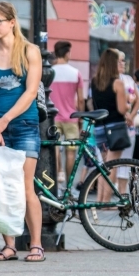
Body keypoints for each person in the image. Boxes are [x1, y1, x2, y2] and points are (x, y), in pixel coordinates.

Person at [0, 1, 45, 263]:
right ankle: (9, 245)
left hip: (24, 124)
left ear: (12, 22)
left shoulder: (30, 51)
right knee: (3, 186)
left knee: (25, 186)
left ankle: (36, 244)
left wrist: (5, 120)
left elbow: (30, 92)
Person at [91, 48, 133, 202]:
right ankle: (106, 202)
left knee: (103, 165)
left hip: (100, 127)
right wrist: (128, 105)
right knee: (112, 166)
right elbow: (122, 109)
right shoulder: (118, 83)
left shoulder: (95, 81)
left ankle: (100, 199)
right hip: (115, 127)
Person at [50, 40, 84, 185]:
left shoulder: (49, 72)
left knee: (55, 147)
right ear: (67, 53)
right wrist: (80, 117)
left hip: (54, 118)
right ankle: (68, 187)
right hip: (71, 118)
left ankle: (58, 174)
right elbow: (81, 100)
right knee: (71, 152)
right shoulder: (76, 73)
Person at [115, 49, 139, 191]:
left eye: (124, 60)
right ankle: (107, 195)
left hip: (129, 125)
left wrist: (131, 116)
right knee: (111, 161)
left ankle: (122, 192)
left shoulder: (129, 79)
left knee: (126, 160)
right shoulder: (109, 79)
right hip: (114, 122)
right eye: (119, 60)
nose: (123, 63)